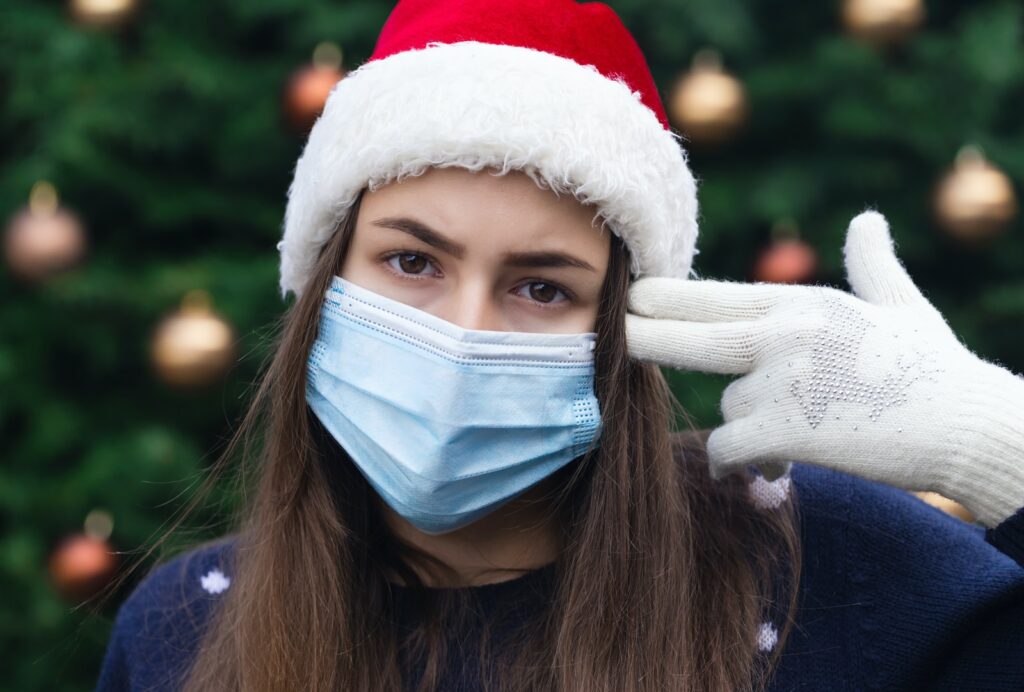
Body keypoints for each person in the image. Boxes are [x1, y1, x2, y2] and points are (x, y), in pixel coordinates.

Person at [95, 1, 1024, 690]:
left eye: (542, 286)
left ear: (618, 332)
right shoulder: (184, 631)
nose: (463, 333)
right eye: (412, 260)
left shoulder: (826, 568)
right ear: (326, 280)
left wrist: (1003, 450)